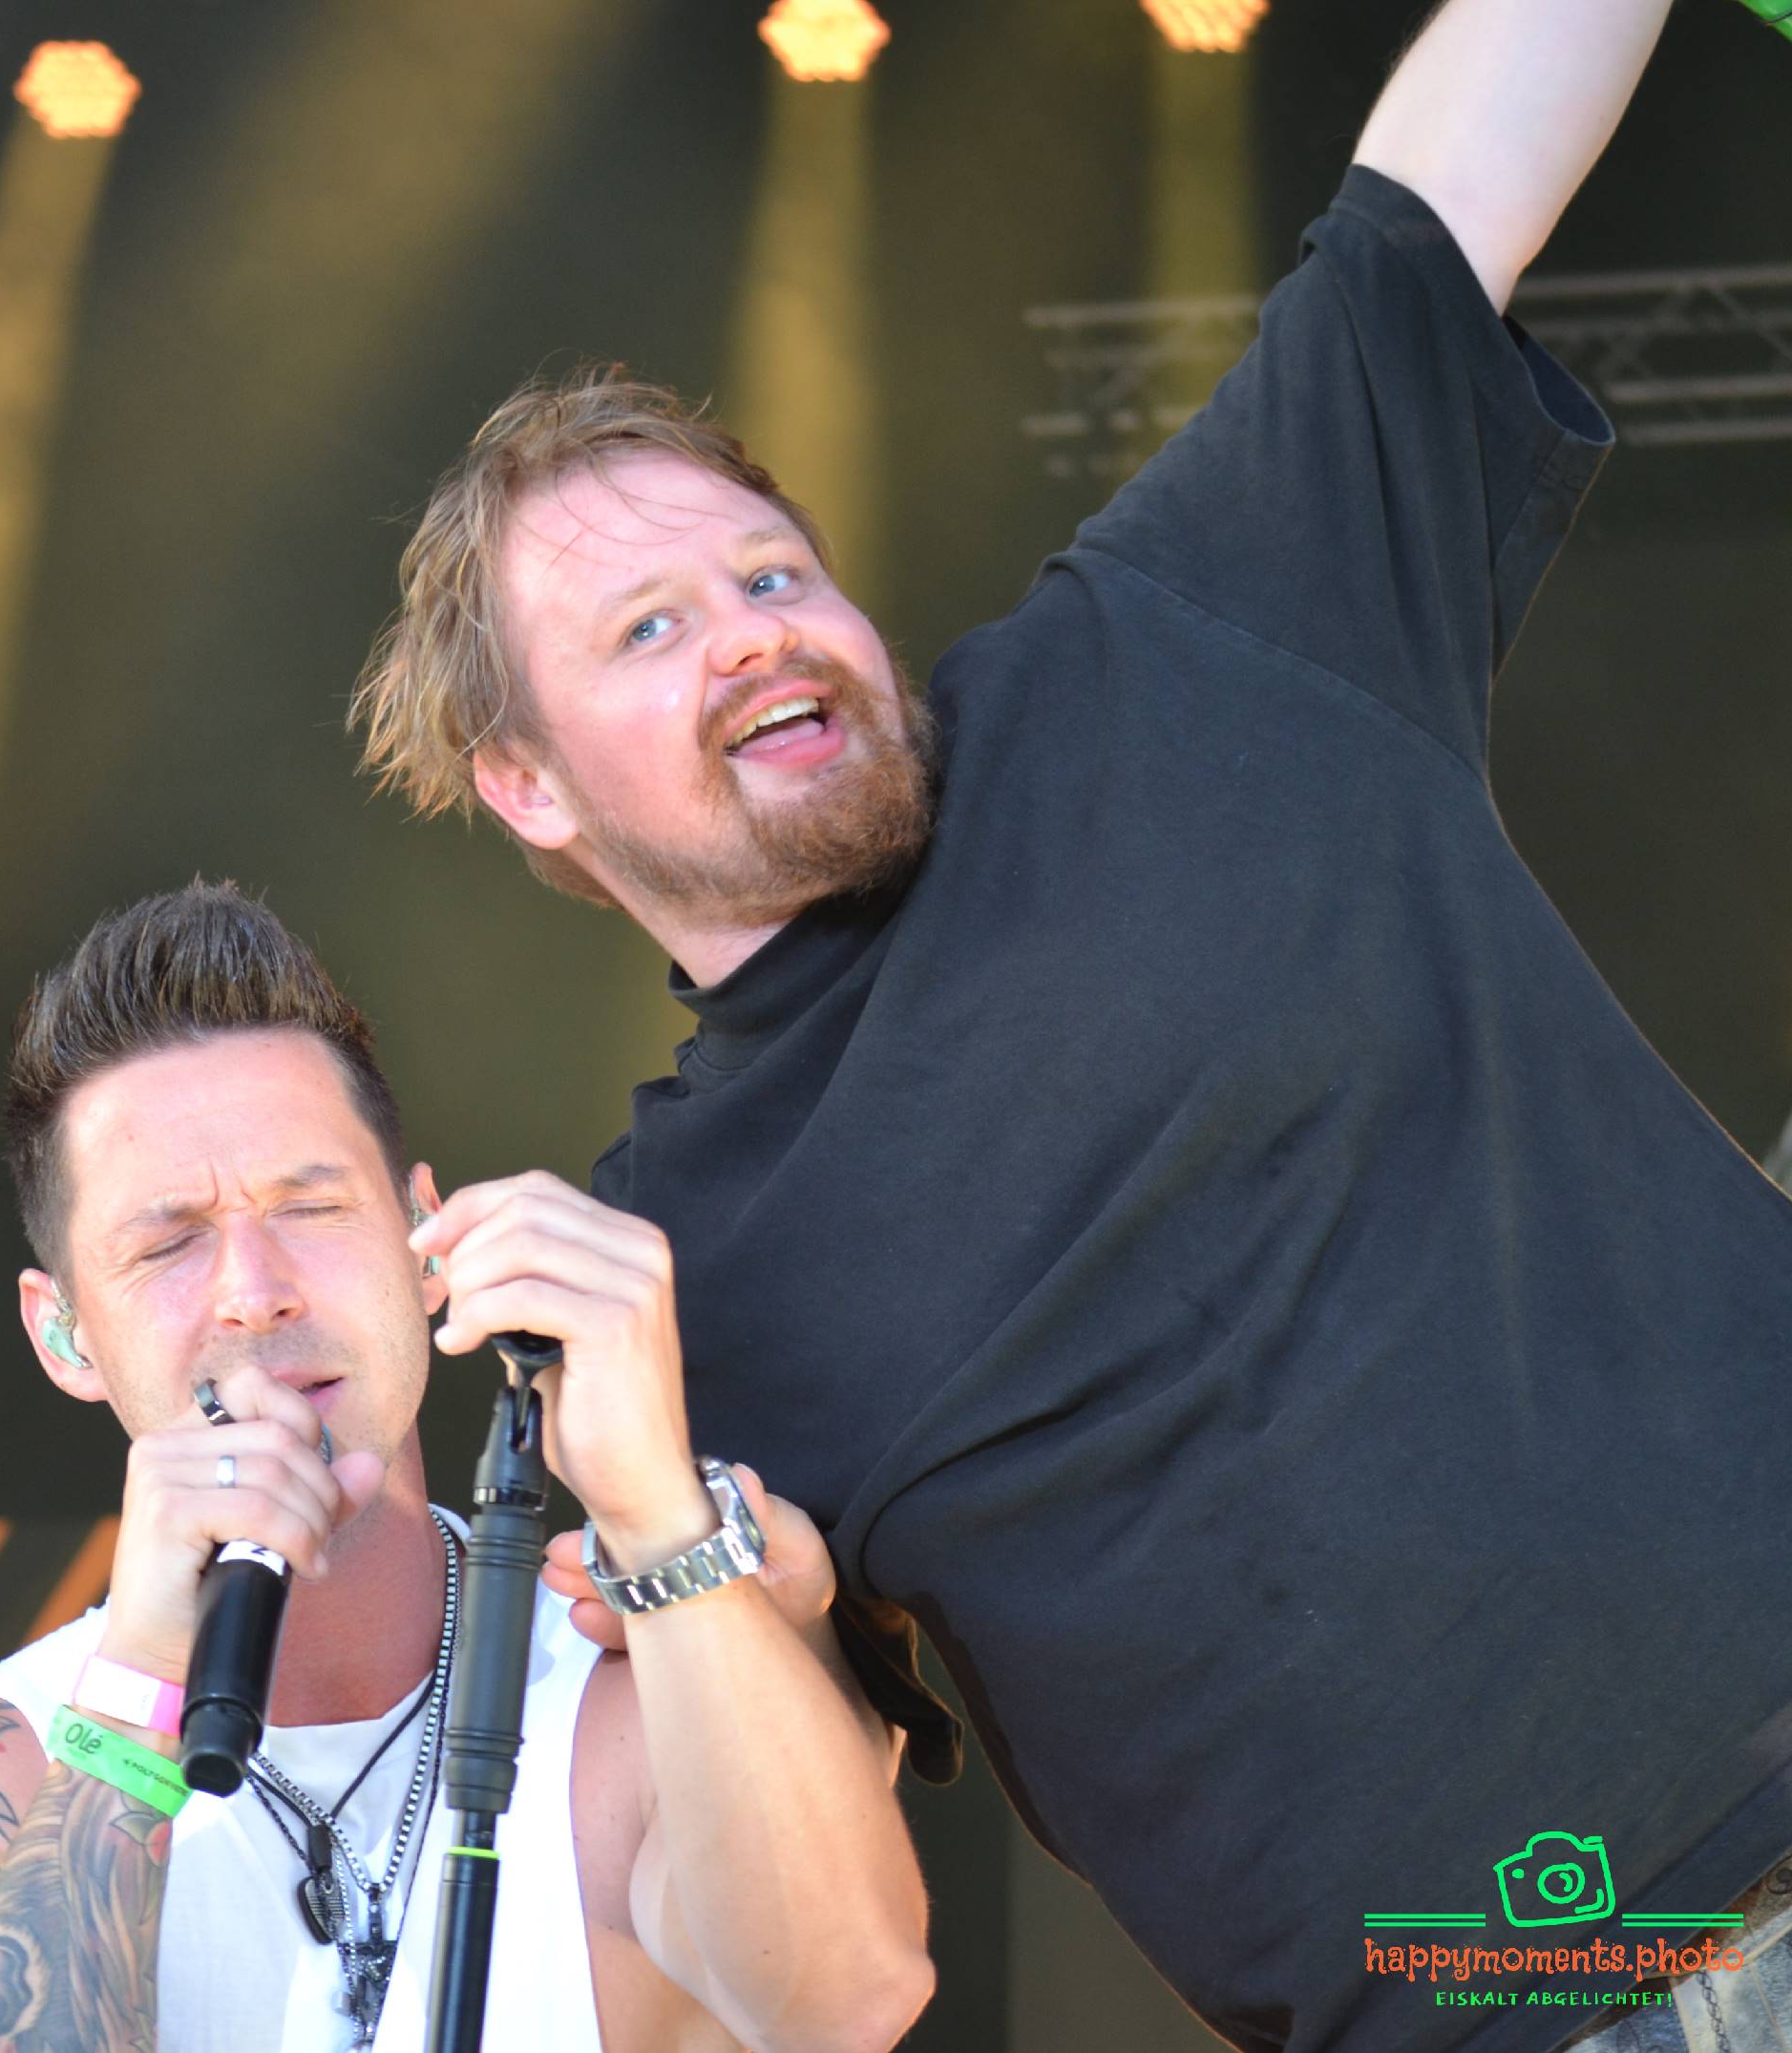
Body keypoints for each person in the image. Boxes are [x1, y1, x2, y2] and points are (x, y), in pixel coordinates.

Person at [354, 3, 1792, 2048]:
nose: (750, 632)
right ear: (527, 785)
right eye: (648, 629)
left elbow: (1447, 188)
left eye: (770, 573)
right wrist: (681, 1539)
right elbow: (804, 1944)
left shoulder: (1169, 641)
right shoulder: (674, 1278)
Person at [0, 881, 931, 2053]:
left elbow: (848, 2004)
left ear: (423, 1240)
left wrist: (656, 1509)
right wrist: (142, 1674)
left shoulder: (640, 1697)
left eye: (312, 1205)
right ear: (65, 1334)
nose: (255, 1290)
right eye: (169, 1241)